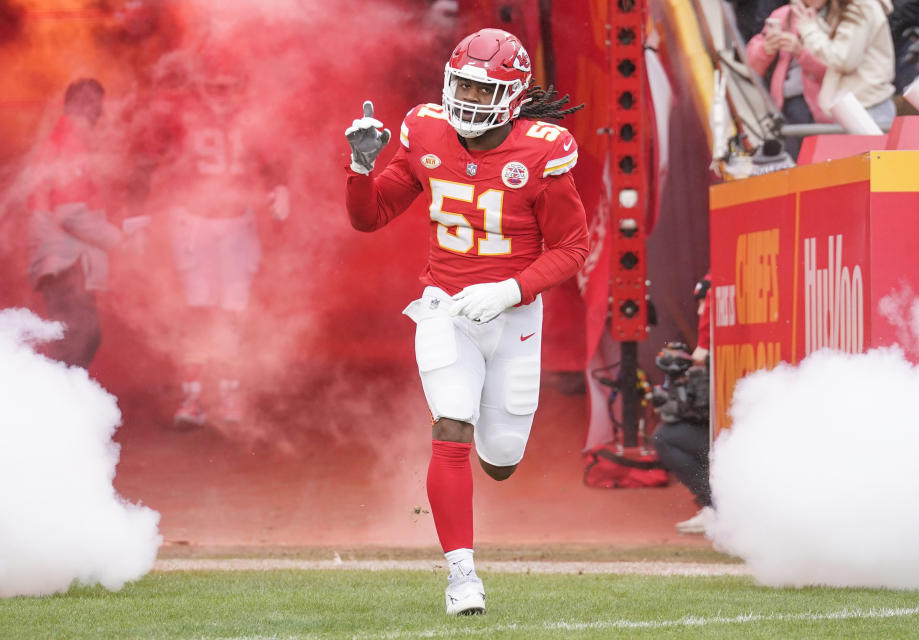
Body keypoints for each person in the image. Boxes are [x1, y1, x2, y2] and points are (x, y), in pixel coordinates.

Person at [343, 28, 588, 615]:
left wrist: (510, 288)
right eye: (462, 86)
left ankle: (487, 463)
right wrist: (359, 166)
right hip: (445, 306)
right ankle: (462, 577)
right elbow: (370, 215)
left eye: (483, 89)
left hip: (515, 313)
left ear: (511, 94)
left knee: (500, 460)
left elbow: (573, 247)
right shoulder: (426, 129)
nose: (469, 101)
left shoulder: (541, 151)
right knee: (452, 423)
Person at [139, 49, 290, 430]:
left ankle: (228, 391)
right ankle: (192, 395)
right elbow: (149, 158)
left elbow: (272, 159)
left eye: (229, 87)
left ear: (240, 88)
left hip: (237, 221)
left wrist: (279, 187)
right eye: (214, 88)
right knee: (199, 311)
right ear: (203, 88)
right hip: (194, 221)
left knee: (233, 313)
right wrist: (139, 210)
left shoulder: (251, 119)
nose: (222, 95)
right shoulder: (184, 116)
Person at [27, 79, 125, 368]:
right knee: (79, 339)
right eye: (96, 103)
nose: (100, 111)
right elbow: (70, 213)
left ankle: (60, 404)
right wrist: (118, 239)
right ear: (81, 105)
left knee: (77, 339)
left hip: (62, 259)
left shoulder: (62, 138)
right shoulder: (71, 142)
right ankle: (58, 407)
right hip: (66, 259)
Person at [652, 275, 713, 534]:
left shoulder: (716, 340)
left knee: (665, 438)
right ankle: (715, 506)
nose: (700, 310)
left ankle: (716, 507)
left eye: (704, 302)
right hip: (727, 428)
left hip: (734, 433)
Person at [794, 0, 897, 128]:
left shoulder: (861, 6)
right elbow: (842, 46)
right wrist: (813, 23)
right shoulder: (854, 6)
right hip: (856, 107)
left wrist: (809, 29)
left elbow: (843, 59)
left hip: (867, 108)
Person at [747, 1, 831, 158]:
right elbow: (751, 61)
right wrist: (766, 49)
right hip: (787, 104)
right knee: (792, 162)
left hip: (829, 107)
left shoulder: (839, 18)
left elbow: (838, 67)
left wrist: (801, 53)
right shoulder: (784, 15)